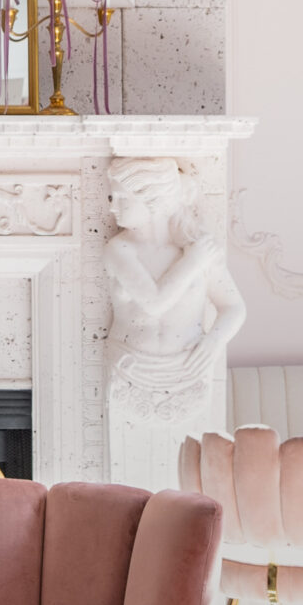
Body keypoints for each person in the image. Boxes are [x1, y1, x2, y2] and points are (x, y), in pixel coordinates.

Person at [104, 156, 244, 417]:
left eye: (122, 198)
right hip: (130, 367)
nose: (113, 208)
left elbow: (233, 306)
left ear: (152, 200)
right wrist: (192, 262)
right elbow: (153, 304)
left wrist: (215, 341)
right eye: (113, 198)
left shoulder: (196, 246)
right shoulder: (120, 249)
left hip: (189, 368)